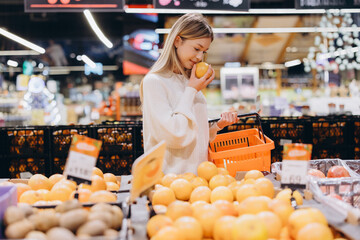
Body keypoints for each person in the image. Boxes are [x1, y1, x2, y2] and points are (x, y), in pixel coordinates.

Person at [140, 13, 238, 175]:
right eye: (197, 48)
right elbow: (174, 135)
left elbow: (194, 135)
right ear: (177, 41)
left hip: (197, 181)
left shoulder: (189, 81)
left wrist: (216, 126)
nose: (200, 57)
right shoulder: (155, 82)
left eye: (204, 51)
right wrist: (191, 90)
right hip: (170, 183)